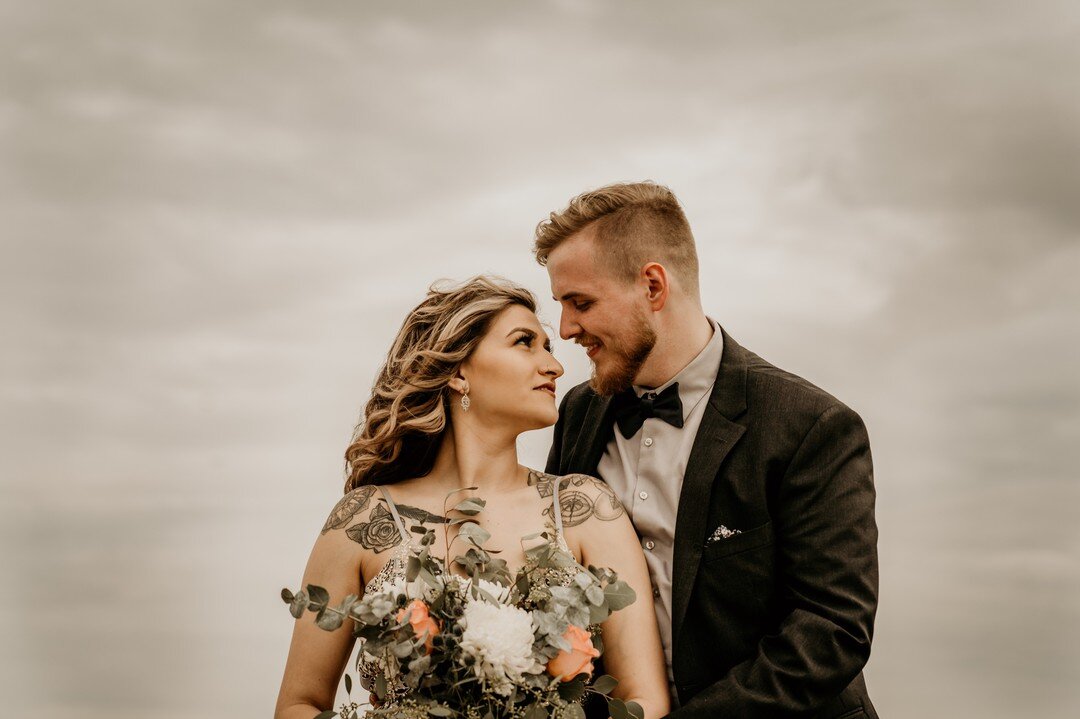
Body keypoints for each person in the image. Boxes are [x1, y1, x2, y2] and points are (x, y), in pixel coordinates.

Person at [536, 182, 880, 719]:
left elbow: (831, 630)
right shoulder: (579, 414)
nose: (566, 328)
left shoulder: (812, 426)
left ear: (653, 285)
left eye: (581, 302)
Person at [274, 276, 670, 719]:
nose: (555, 367)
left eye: (549, 349)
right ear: (459, 372)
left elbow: (645, 700)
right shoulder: (361, 521)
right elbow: (298, 705)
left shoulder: (586, 510)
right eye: (525, 342)